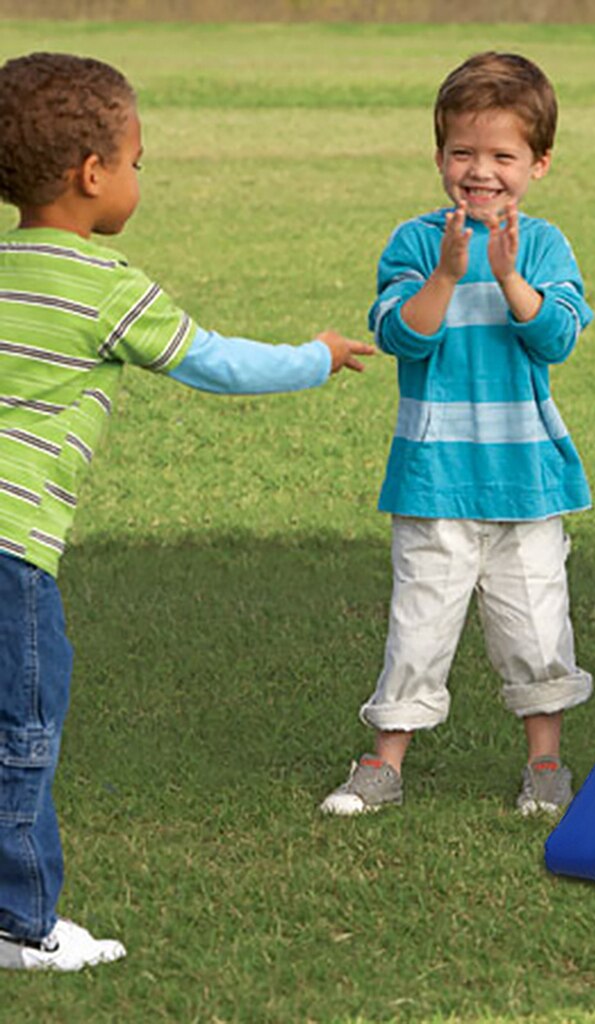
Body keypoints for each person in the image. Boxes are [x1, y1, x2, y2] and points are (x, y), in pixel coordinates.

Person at [0, 52, 375, 971]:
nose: (138, 178)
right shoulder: (105, 286)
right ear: (93, 176)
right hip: (12, 555)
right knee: (21, 734)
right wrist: (315, 356)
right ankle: (22, 927)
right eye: (136, 161)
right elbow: (217, 362)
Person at [319, 51, 593, 819]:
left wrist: (510, 279)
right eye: (463, 152)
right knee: (419, 629)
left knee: (539, 630)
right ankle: (382, 763)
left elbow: (556, 339)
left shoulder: (545, 247)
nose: (481, 171)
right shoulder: (415, 242)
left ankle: (545, 768)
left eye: (502, 155)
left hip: (528, 484)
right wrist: (447, 272)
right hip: (435, 480)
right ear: (439, 155)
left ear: (538, 163)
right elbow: (406, 338)